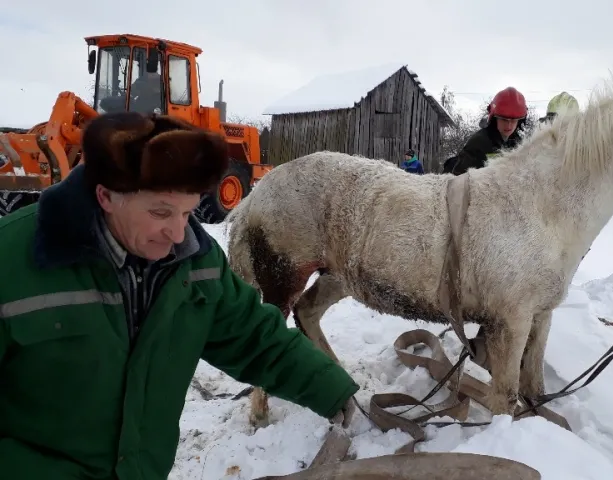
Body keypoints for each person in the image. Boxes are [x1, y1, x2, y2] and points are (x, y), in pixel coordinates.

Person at [0, 112, 359, 480]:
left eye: (187, 212)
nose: (176, 233)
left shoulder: (196, 265)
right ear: (106, 195)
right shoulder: (13, 264)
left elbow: (255, 339)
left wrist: (332, 389)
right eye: (161, 212)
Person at [443, 86, 527, 175]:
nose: (509, 125)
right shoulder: (480, 142)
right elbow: (460, 179)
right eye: (504, 120)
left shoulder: (519, 144)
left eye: (513, 120)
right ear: (495, 119)